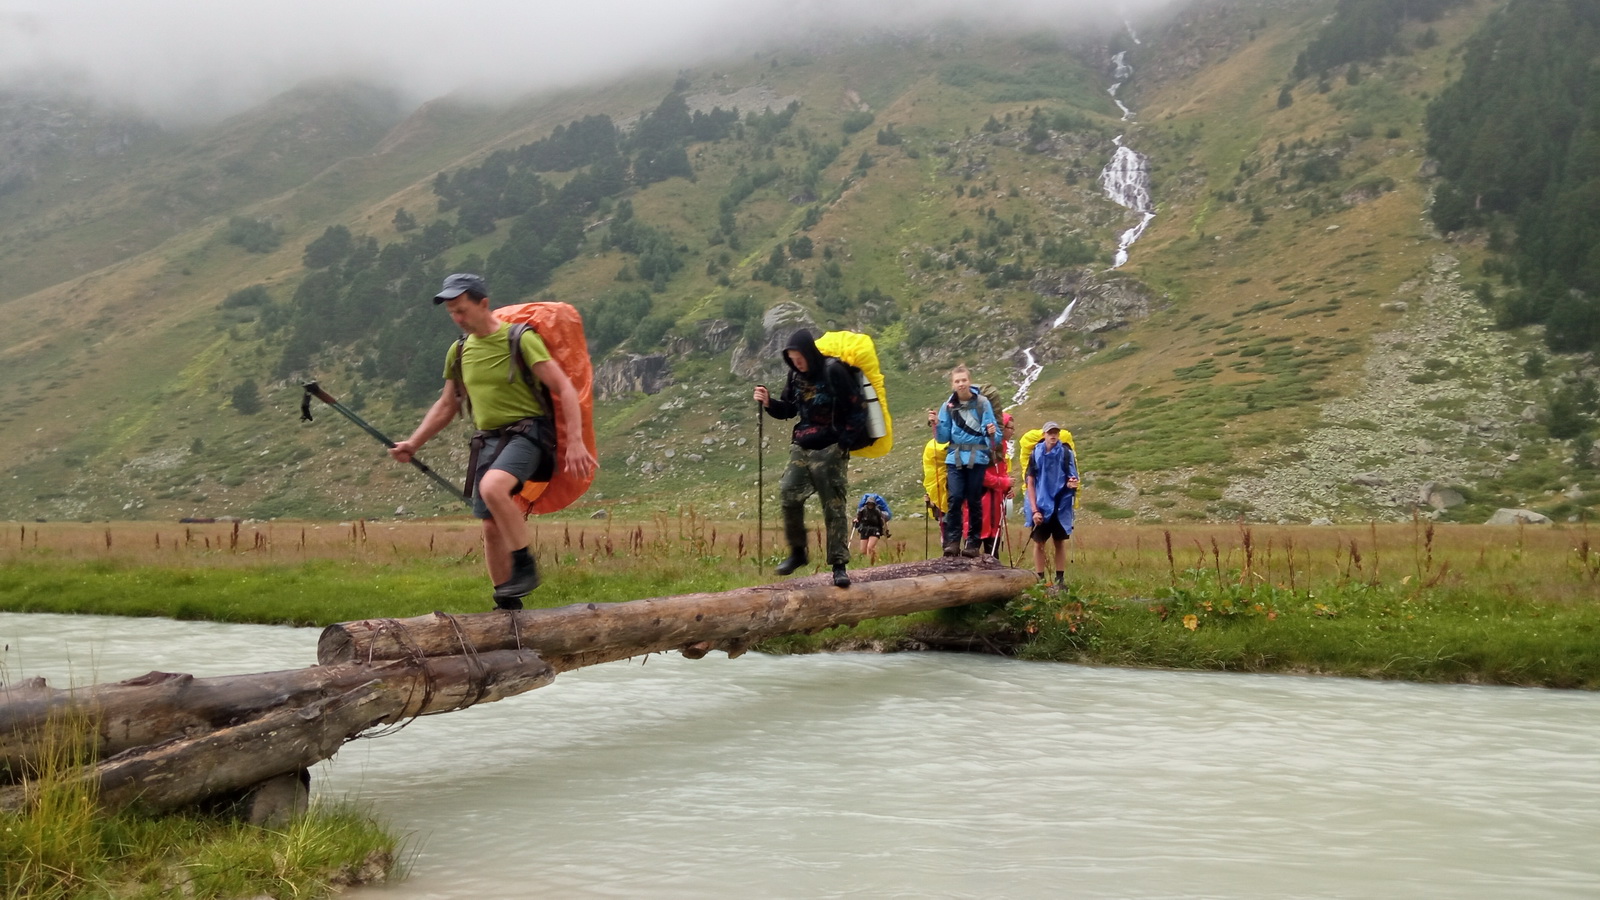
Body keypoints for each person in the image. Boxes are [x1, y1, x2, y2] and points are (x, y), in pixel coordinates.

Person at [389, 273, 597, 610]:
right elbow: (447, 404)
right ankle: (507, 604)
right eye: (452, 313)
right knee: (489, 526)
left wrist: (575, 442)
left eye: (462, 310)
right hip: (488, 441)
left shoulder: (519, 339)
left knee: (493, 488)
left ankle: (525, 566)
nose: (457, 318)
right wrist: (413, 443)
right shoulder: (458, 350)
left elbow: (564, 387)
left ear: (483, 303)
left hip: (529, 434)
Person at [754, 329, 858, 588]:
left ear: (809, 352)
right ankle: (798, 553)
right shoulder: (794, 375)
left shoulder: (833, 371)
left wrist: (843, 442)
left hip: (831, 446)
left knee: (833, 505)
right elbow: (789, 409)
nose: (796, 363)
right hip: (802, 444)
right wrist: (769, 403)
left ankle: (839, 565)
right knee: (788, 493)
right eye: (791, 359)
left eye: (799, 357)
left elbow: (856, 409)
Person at [932, 364, 999, 557]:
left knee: (974, 500)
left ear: (969, 381)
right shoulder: (948, 406)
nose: (961, 384)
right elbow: (943, 437)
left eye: (964, 380)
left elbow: (991, 431)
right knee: (954, 499)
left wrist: (991, 432)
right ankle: (952, 541)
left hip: (977, 457)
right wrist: (936, 424)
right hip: (955, 458)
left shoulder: (983, 403)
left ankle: (972, 542)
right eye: (957, 381)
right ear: (952, 384)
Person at [1025, 421, 1080, 587]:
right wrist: (1034, 510)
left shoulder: (1065, 453)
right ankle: (1040, 579)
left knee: (1059, 542)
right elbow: (1030, 482)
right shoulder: (1035, 454)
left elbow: (1073, 477)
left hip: (1060, 504)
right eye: (1050, 432)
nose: (1053, 435)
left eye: (1056, 432)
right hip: (1041, 505)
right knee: (1039, 542)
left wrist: (1072, 484)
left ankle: (1060, 579)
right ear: (1044, 435)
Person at [978, 413, 1017, 557]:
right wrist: (1004, 483)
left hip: (996, 502)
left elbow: (1001, 471)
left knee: (993, 543)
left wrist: (1007, 489)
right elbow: (980, 474)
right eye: (1010, 428)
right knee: (978, 539)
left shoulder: (1003, 446)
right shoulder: (985, 445)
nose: (1012, 431)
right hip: (982, 499)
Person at [921, 414, 950, 552]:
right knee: (945, 521)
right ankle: (948, 550)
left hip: (948, 486)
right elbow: (930, 468)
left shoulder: (949, 442)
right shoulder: (931, 447)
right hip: (939, 487)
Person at [853, 493, 891, 564]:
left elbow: (882, 521)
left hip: (875, 530)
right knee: (863, 551)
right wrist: (855, 522)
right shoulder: (862, 510)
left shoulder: (877, 511)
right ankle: (871, 562)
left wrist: (885, 531)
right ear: (867, 504)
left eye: (872, 504)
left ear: (874, 504)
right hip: (864, 530)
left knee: (870, 548)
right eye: (869, 504)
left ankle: (871, 563)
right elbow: (858, 519)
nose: (870, 505)